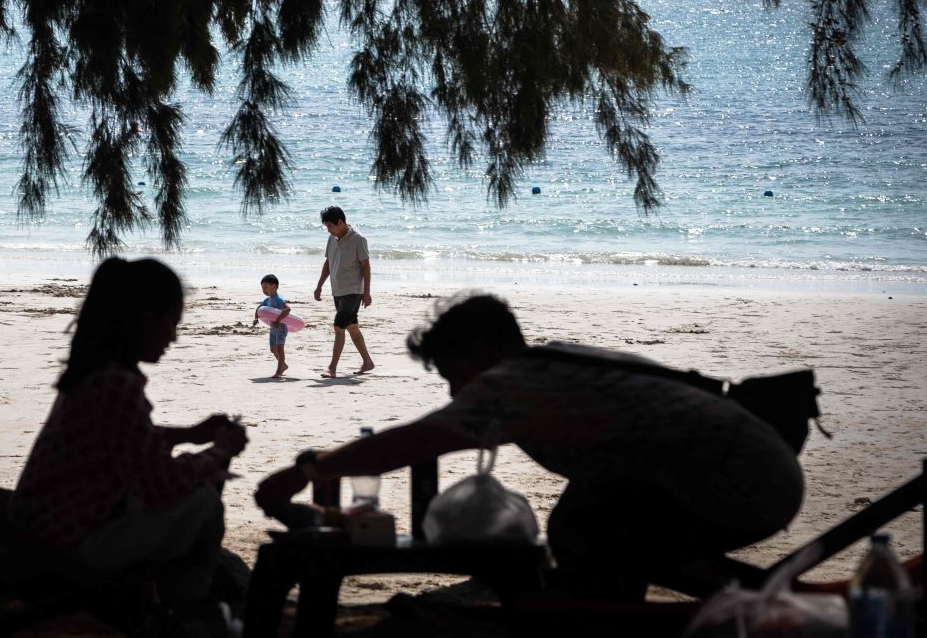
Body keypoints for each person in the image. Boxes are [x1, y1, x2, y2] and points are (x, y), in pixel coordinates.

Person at [255, 294, 804, 600]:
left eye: (453, 374)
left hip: (739, 481)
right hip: (755, 466)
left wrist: (310, 469)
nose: (455, 392)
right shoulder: (550, 363)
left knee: (582, 531)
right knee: (582, 525)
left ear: (482, 354)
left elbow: (416, 440)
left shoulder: (514, 383)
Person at [10, 257, 248, 625]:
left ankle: (166, 605)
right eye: (172, 324)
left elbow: (125, 445)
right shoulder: (116, 386)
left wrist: (189, 435)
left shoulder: (94, 373)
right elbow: (160, 485)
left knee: (179, 496)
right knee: (204, 505)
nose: (173, 337)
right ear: (147, 322)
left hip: (40, 536)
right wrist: (219, 451)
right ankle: (186, 614)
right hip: (65, 550)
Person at [313, 206, 375, 378]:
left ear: (340, 222)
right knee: (352, 327)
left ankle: (332, 368)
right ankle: (367, 362)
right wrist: (319, 285)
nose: (328, 230)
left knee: (339, 327)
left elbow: (366, 267)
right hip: (338, 290)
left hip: (353, 291)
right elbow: (328, 263)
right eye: (326, 226)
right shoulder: (332, 238)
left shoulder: (358, 239)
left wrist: (367, 292)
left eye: (330, 226)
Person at [252, 273, 291, 378]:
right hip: (273, 328)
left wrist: (278, 320)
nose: (264, 290)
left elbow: (287, 309)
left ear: (274, 286)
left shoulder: (279, 299)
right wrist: (256, 318)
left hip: (281, 328)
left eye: (266, 287)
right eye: (262, 288)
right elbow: (258, 308)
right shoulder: (267, 300)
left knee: (280, 349)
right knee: (273, 349)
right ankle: (283, 365)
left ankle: (279, 371)